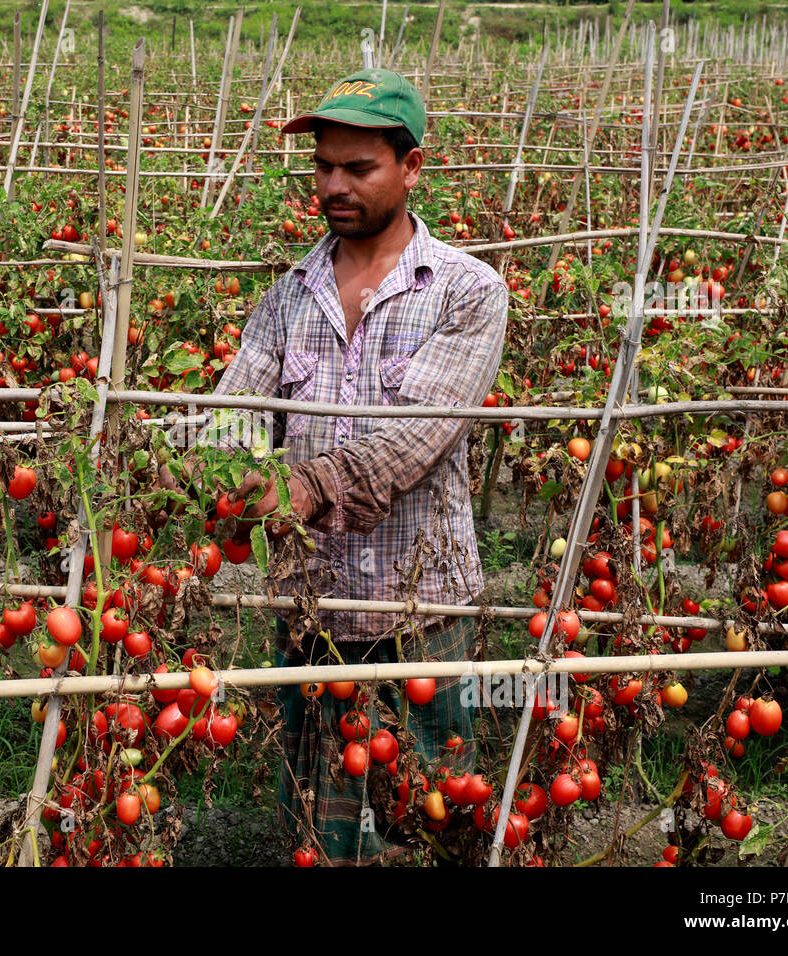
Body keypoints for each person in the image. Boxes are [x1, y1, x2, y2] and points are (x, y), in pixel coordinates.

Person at [215, 69, 509, 864]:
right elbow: (235, 413)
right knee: (318, 829)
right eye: (323, 167)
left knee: (438, 816)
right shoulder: (285, 298)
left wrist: (307, 483)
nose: (334, 186)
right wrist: (203, 465)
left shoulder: (466, 292)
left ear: (411, 167)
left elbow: (421, 435)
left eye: (358, 168)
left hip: (422, 609)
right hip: (311, 611)